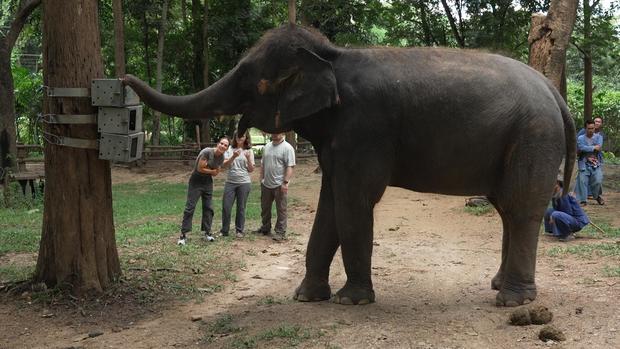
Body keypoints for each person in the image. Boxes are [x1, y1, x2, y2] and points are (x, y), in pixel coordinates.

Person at [178, 137, 237, 245]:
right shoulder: (207, 152)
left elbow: (220, 167)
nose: (223, 146)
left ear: (227, 148)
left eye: (225, 145)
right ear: (217, 143)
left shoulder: (221, 156)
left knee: (208, 207)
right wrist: (213, 171)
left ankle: (207, 232)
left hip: (207, 182)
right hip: (196, 180)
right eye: (221, 143)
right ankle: (183, 235)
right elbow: (200, 168)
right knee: (190, 207)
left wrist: (214, 170)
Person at [254, 133, 295, 241]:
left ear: (283, 133)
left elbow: (290, 166)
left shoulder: (287, 148)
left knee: (281, 209)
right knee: (265, 208)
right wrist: (261, 179)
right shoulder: (267, 146)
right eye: (273, 132)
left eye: (277, 132)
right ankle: (265, 228)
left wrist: (285, 182)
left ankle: (280, 232)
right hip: (266, 184)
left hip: (279, 185)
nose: (274, 134)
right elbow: (263, 164)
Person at [219, 130, 255, 238]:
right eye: (238, 136)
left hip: (244, 183)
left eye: (243, 136)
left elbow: (251, 169)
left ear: (246, 137)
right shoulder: (229, 149)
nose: (240, 138)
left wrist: (248, 158)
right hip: (230, 182)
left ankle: (239, 230)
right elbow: (224, 165)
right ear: (235, 137)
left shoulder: (249, 151)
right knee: (226, 207)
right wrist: (233, 156)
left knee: (241, 207)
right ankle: (224, 231)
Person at [575, 120, 604, 206]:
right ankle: (583, 200)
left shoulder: (599, 137)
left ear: (594, 128)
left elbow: (598, 148)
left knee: (598, 180)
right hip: (583, 163)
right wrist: (593, 147)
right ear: (585, 128)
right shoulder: (580, 138)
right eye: (589, 128)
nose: (591, 130)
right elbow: (581, 148)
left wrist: (587, 148)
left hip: (596, 163)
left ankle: (597, 196)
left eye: (592, 128)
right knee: (582, 181)